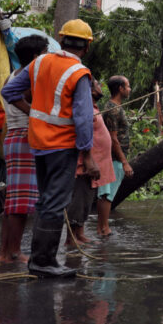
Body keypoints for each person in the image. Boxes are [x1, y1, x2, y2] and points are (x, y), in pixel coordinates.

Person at [1, 19, 99, 278]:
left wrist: (33, 113)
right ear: (87, 46)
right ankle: (44, 262)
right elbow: (82, 117)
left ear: (62, 39)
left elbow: (9, 91)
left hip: (38, 144)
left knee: (46, 201)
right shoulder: (79, 73)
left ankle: (39, 260)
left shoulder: (39, 62)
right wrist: (87, 155)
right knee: (55, 203)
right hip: (62, 147)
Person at [0, 35, 48, 265]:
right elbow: (31, 102)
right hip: (25, 138)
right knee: (21, 202)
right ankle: (13, 253)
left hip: (14, 138)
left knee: (14, 199)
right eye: (45, 53)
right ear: (36, 57)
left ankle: (4, 253)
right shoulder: (29, 78)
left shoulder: (12, 77)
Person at [67, 79, 115, 245]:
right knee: (79, 198)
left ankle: (79, 234)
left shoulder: (93, 106)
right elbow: (81, 130)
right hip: (86, 163)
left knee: (86, 199)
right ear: (89, 89)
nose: (100, 86)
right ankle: (71, 238)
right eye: (96, 84)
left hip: (95, 164)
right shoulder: (84, 106)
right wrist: (87, 159)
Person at [96, 75, 133, 237]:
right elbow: (113, 138)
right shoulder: (112, 109)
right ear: (120, 89)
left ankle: (103, 227)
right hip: (113, 158)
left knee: (108, 193)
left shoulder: (115, 107)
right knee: (107, 193)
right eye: (128, 86)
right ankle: (103, 228)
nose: (129, 89)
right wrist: (124, 162)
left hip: (115, 157)